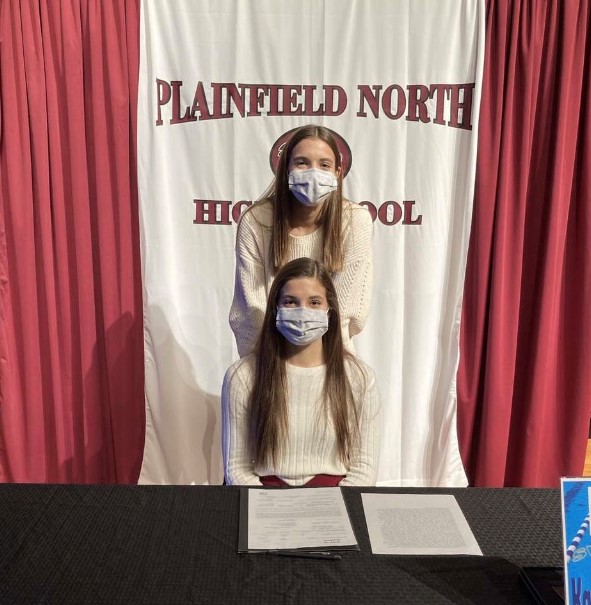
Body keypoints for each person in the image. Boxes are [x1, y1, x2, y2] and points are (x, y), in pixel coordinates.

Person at [222, 257, 380, 486]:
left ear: (330, 310)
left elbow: (364, 470)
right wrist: (267, 512)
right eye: (290, 302)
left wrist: (332, 514)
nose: (302, 311)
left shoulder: (360, 379)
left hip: (335, 506)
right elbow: (236, 468)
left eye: (314, 302)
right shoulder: (242, 376)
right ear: (275, 308)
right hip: (263, 504)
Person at [229, 124, 373, 357]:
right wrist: (269, 367)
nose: (313, 173)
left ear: (337, 172)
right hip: (265, 357)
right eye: (302, 162)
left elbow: (346, 310)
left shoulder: (355, 221)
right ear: (286, 169)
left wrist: (314, 366)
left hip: (333, 358)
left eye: (324, 164)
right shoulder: (256, 221)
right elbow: (251, 311)